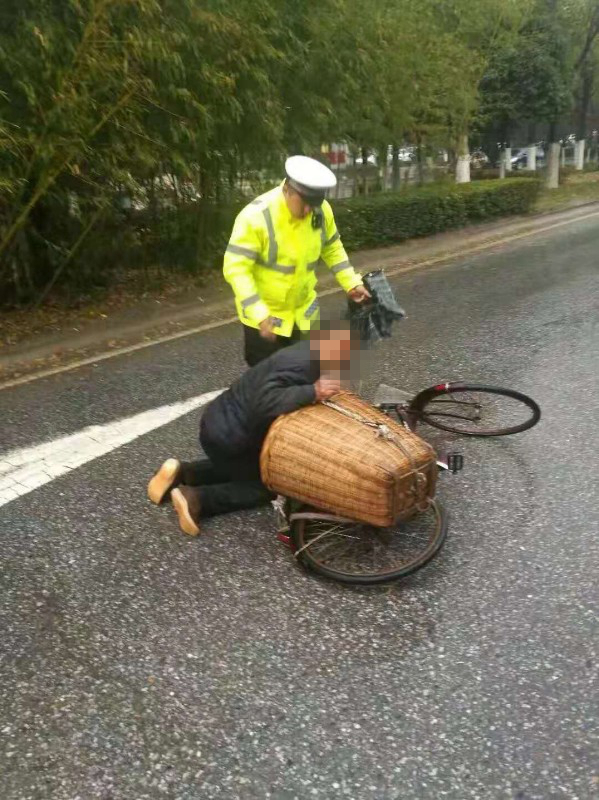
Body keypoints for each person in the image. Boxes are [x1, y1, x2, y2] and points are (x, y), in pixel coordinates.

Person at [147, 320, 355, 536]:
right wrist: (313, 391)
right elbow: (266, 402)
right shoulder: (305, 367)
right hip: (230, 437)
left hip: (219, 422)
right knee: (266, 485)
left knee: (247, 467)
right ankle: (198, 499)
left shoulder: (304, 351)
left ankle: (183, 472)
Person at [223, 155, 370, 367]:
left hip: (305, 317)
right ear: (287, 190)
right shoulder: (255, 217)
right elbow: (236, 269)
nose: (310, 211)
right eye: (305, 204)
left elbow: (332, 247)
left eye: (314, 204)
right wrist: (259, 313)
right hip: (265, 322)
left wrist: (351, 282)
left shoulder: (320, 210)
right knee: (269, 388)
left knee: (306, 381)